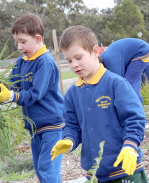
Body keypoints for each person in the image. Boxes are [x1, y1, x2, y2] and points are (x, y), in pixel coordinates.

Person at [51, 25, 148, 182]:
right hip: (95, 173)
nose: (74, 64)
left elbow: (134, 119)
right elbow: (72, 126)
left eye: (78, 57)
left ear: (95, 52)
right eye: (69, 60)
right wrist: (68, 140)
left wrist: (130, 146)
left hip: (126, 169)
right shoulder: (72, 94)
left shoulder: (116, 84)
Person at [0, 13, 64, 183]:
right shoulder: (21, 62)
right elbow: (12, 85)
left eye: (23, 41)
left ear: (38, 38)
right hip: (33, 125)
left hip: (51, 124)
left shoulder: (45, 62)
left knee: (48, 167)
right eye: (17, 42)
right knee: (39, 167)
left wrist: (11, 96)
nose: (19, 46)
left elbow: (35, 94)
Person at [100, 38, 149, 102]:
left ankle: (136, 108)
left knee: (129, 84)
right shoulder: (102, 59)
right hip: (132, 52)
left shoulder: (111, 63)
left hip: (141, 51)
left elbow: (119, 83)